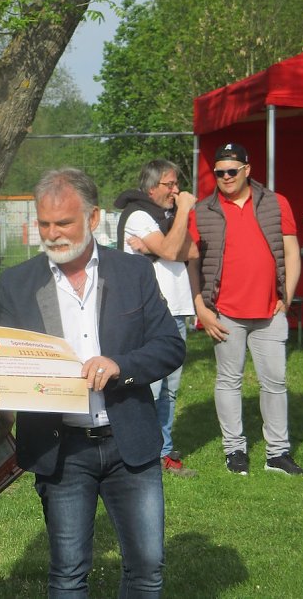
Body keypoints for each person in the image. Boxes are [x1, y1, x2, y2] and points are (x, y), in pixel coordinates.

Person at [0, 168, 185, 597]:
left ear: (93, 218)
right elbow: (3, 362)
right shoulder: (19, 283)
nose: (52, 234)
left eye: (64, 223)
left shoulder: (133, 273)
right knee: (67, 573)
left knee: (148, 568)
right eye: (44, 224)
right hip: (61, 450)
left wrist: (120, 365)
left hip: (128, 443)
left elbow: (170, 346)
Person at [188, 143, 303, 477]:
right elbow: (192, 263)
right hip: (224, 313)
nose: (225, 177)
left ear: (247, 170)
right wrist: (201, 308)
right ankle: (234, 450)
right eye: (220, 172)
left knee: (276, 382)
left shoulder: (275, 202)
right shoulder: (202, 210)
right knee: (229, 381)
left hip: (270, 312)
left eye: (232, 171)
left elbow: (292, 251)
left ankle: (277, 454)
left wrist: (288, 295)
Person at [114, 159, 198, 477]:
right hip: (150, 313)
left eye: (177, 185)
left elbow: (191, 251)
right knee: (149, 387)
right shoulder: (138, 214)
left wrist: (159, 247)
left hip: (176, 311)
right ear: (152, 188)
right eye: (170, 184)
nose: (177, 191)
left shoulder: (166, 218)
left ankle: (162, 452)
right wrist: (167, 241)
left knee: (170, 390)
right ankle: (140, 452)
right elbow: (170, 249)